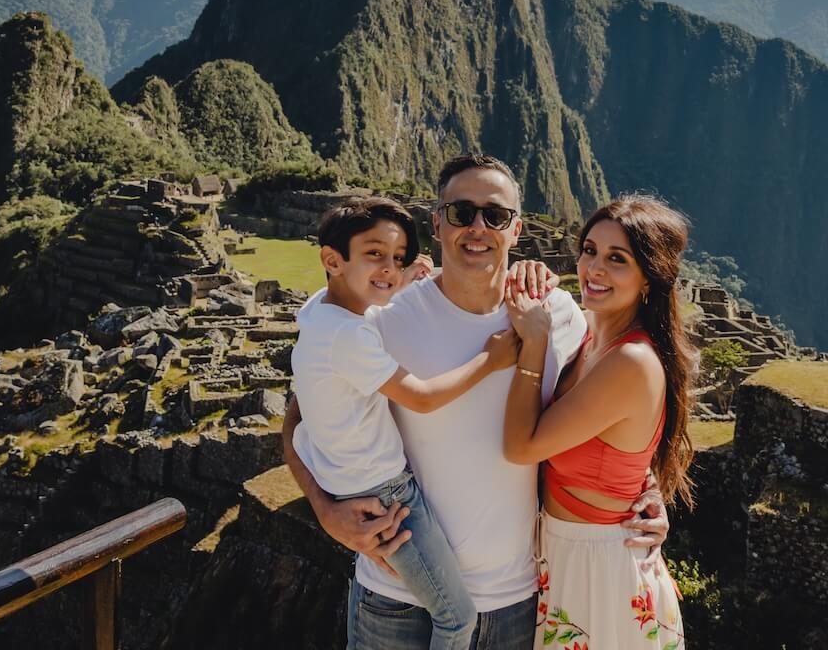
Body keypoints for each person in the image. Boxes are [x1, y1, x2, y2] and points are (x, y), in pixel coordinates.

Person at [281, 154, 671, 650]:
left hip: (515, 600)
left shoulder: (557, 316)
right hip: (395, 596)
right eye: (462, 212)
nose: (478, 228)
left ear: (516, 229)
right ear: (437, 222)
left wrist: (643, 490)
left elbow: (608, 413)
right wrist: (324, 509)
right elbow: (300, 418)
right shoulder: (383, 319)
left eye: (496, 215)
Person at [290, 196, 521, 649]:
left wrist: (399, 281)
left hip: (349, 483)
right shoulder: (350, 336)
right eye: (375, 254)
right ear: (332, 260)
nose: (390, 269)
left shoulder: (320, 311)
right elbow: (421, 397)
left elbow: (364, 299)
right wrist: (490, 360)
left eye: (397, 258)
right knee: (456, 618)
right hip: (388, 498)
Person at [503, 195, 697, 650]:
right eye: (590, 250)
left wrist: (534, 345)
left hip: (600, 570)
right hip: (568, 555)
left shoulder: (631, 361)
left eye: (617, 259)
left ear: (649, 277)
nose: (594, 268)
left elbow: (521, 447)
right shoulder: (590, 337)